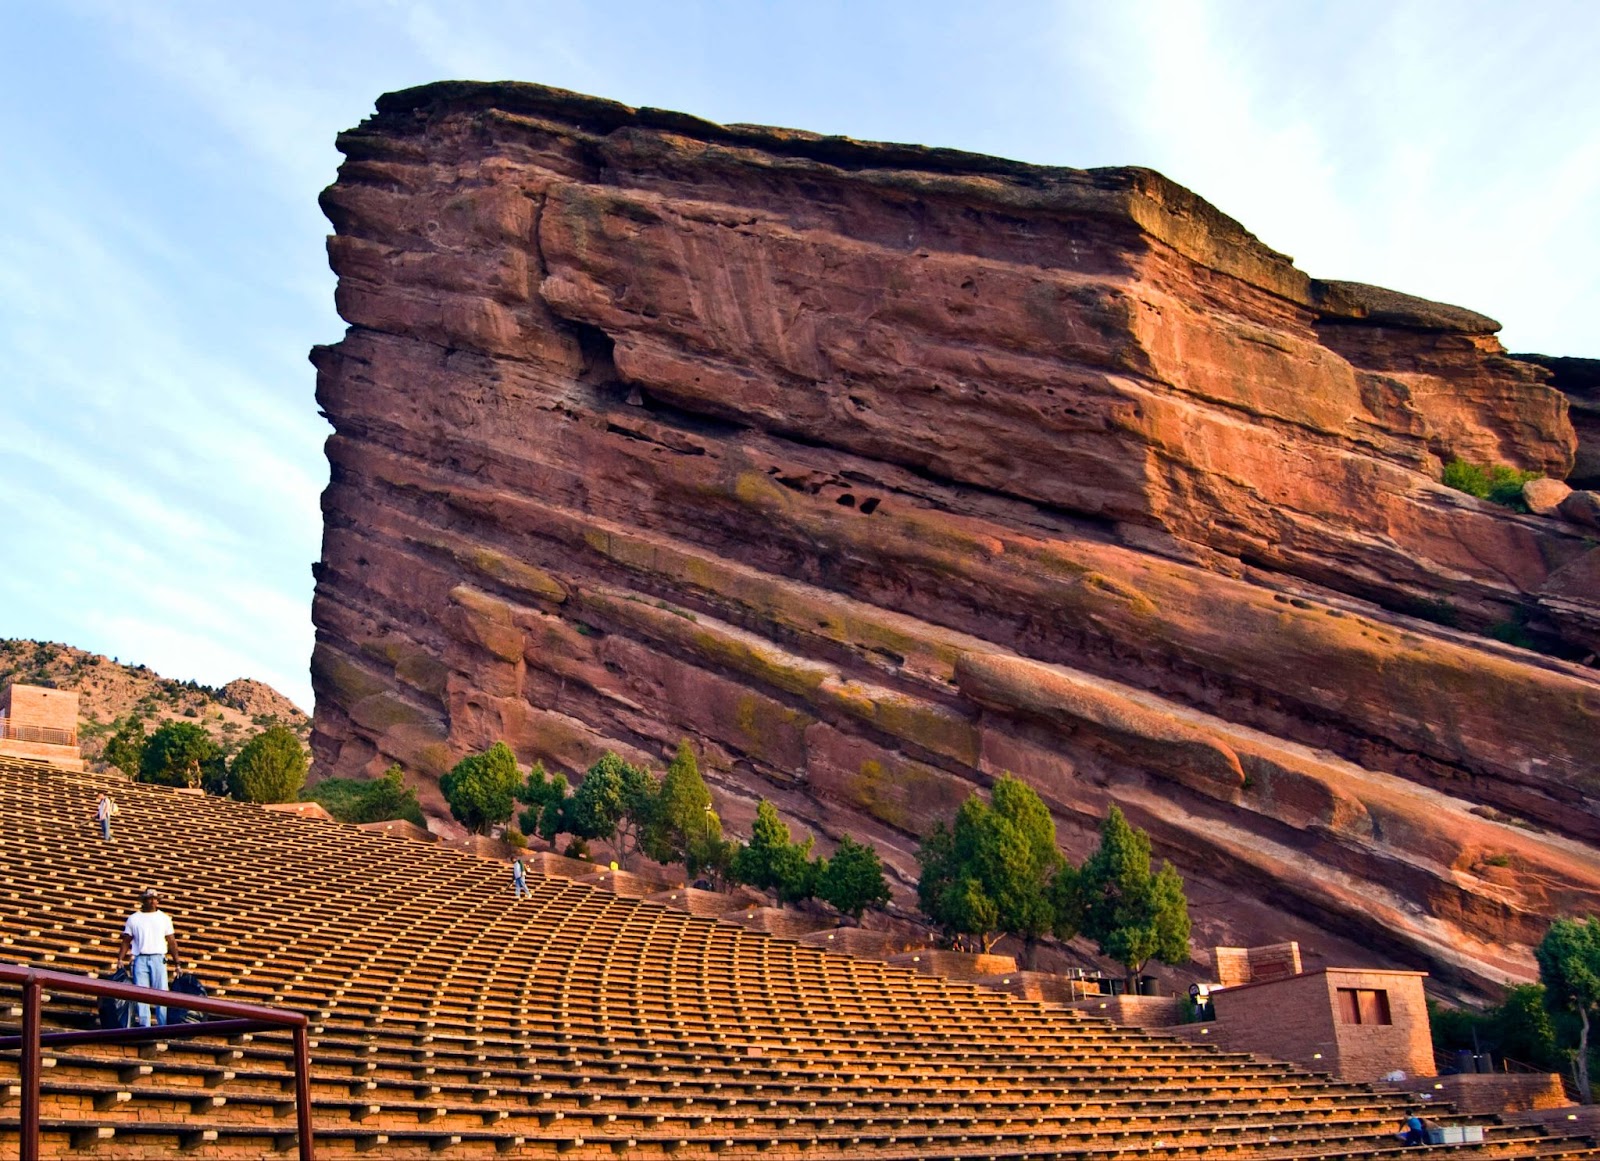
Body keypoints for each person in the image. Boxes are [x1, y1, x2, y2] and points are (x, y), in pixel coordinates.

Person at [118, 888, 181, 1027]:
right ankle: (144, 1025)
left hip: (159, 957)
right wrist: (120, 959)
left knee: (162, 994)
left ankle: (163, 1025)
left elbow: (171, 941)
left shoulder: (164, 918)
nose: (153, 902)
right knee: (141, 994)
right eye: (150, 899)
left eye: (155, 899)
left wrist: (177, 962)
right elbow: (126, 940)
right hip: (140, 958)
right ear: (144, 901)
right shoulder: (134, 918)